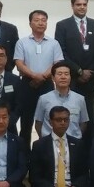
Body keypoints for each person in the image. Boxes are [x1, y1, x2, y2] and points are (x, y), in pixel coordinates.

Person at [14, 10, 63, 153]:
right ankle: (24, 156)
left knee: (48, 120)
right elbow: (19, 63)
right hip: (27, 84)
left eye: (43, 20)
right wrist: (34, 75)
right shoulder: (22, 42)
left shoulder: (54, 43)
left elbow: (57, 63)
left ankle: (47, 153)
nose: (40, 23)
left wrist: (42, 77)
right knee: (26, 122)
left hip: (47, 84)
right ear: (30, 23)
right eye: (37, 20)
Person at [54, 0, 94, 119]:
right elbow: (61, 52)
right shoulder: (62, 25)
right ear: (72, 6)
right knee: (70, 114)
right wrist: (79, 71)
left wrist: (89, 72)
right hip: (72, 78)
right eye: (78, 4)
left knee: (89, 115)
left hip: (91, 79)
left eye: (84, 4)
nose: (82, 7)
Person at [33, 61, 89, 141]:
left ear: (70, 77)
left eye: (66, 74)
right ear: (53, 78)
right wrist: (45, 141)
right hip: (50, 143)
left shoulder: (80, 99)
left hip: (73, 143)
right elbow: (38, 123)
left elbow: (83, 123)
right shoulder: (43, 99)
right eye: (59, 74)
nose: (63, 77)